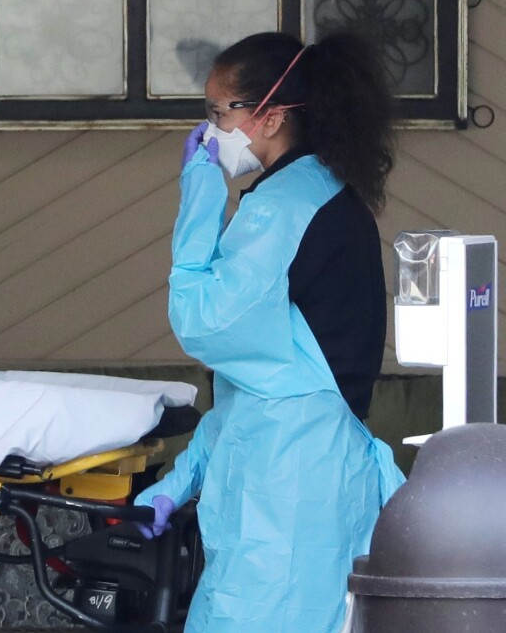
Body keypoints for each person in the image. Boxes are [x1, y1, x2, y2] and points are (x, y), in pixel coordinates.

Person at [134, 31, 406, 632]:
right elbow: (253, 387)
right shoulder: (314, 195)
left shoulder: (286, 207)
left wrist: (201, 190)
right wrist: (179, 482)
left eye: (218, 112)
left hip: (289, 494)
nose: (209, 130)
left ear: (272, 115)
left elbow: (203, 320)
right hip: (287, 477)